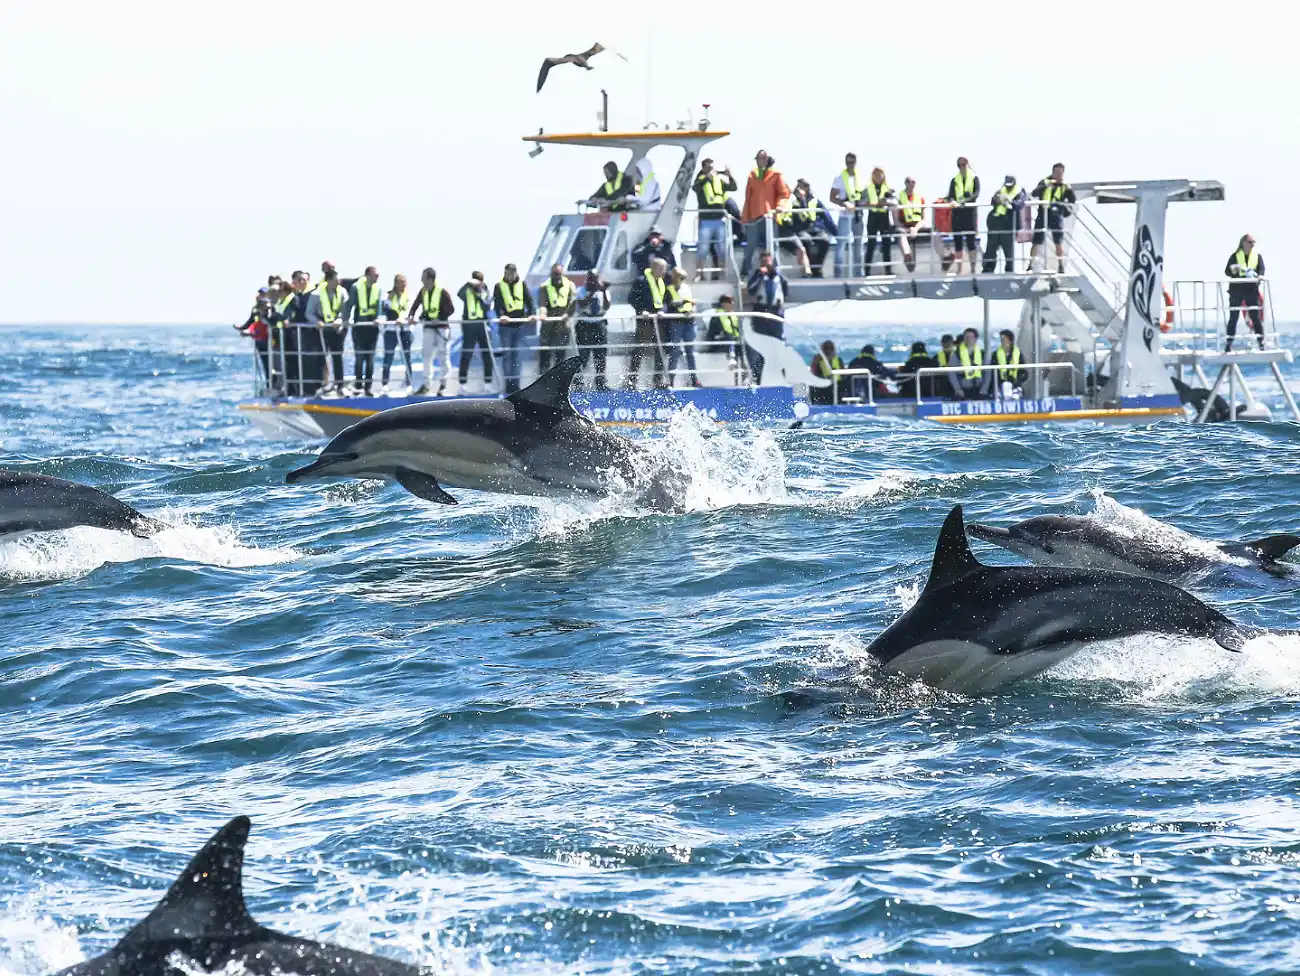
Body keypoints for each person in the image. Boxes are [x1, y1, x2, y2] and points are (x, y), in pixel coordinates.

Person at [741, 150, 790, 276]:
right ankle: (744, 273)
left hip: (769, 217)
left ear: (767, 159)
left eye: (763, 158)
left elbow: (784, 193)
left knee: (773, 245)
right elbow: (748, 197)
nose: (760, 160)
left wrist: (779, 206)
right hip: (754, 217)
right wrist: (744, 218)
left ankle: (776, 271)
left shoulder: (776, 174)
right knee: (750, 246)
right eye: (758, 158)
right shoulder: (752, 175)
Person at [408, 267, 455, 395]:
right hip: (428, 328)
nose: (421, 280)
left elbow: (451, 309)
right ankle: (426, 385)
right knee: (426, 356)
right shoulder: (423, 291)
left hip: (441, 329)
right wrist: (411, 316)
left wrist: (440, 318)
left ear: (430, 279)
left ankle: (443, 385)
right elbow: (415, 305)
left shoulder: (442, 292)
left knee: (443, 356)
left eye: (423, 277)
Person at [627, 257, 670, 389]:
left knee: (661, 350)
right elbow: (632, 298)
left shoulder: (663, 281)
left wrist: (663, 310)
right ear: (654, 268)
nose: (664, 271)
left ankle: (657, 380)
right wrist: (641, 311)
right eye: (662, 269)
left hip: (658, 321)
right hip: (644, 322)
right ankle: (632, 381)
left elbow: (666, 300)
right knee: (639, 349)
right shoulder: (641, 281)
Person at [746, 251, 788, 384]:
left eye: (768, 261)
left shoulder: (779, 277)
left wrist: (775, 273)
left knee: (778, 345)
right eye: (764, 262)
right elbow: (750, 289)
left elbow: (786, 291)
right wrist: (759, 275)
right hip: (761, 315)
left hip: (775, 314)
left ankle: (781, 374)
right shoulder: (757, 275)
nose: (767, 264)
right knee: (761, 347)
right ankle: (758, 376)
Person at [493, 263, 536, 394]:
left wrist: (531, 315)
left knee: (517, 356)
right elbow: (497, 304)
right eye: (506, 274)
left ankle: (515, 385)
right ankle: (508, 385)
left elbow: (529, 302)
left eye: (510, 274)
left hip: (519, 325)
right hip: (506, 326)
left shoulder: (522, 284)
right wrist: (502, 316)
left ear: (515, 273)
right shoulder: (499, 286)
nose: (508, 277)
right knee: (507, 355)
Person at [692, 158, 737, 279]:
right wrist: (707, 177)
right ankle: (699, 274)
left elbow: (733, 187)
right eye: (709, 168)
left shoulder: (720, 181)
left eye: (713, 167)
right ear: (704, 168)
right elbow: (695, 188)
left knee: (722, 249)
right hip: (706, 221)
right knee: (703, 248)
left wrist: (729, 175)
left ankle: (721, 273)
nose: (712, 170)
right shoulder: (700, 180)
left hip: (719, 220)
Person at [1030, 163, 1076, 272]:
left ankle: (1060, 265)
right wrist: (1046, 186)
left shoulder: (1065, 186)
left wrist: (1064, 211)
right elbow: (1034, 193)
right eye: (1056, 172)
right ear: (1053, 172)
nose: (1058, 175)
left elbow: (1072, 200)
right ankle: (1030, 264)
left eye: (1060, 173)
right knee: (1037, 240)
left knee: (1058, 241)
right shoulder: (1045, 182)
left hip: (1056, 215)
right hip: (1043, 213)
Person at [280, 271, 320, 397]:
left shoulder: (312, 294)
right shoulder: (298, 296)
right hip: (301, 334)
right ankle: (305, 389)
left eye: (300, 280)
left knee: (313, 362)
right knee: (304, 362)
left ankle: (313, 389)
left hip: (312, 332)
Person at [344, 266, 382, 395]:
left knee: (370, 359)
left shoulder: (378, 289)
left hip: (372, 329)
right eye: (374, 275)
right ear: (367, 275)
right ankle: (358, 386)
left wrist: (378, 318)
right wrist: (345, 320)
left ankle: (368, 387)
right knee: (359, 358)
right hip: (359, 328)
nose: (377, 277)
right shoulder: (356, 287)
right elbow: (349, 305)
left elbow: (379, 307)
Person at [1225, 233, 1266, 351]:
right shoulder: (1235, 256)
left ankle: (1261, 343)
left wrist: (1260, 276)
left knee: (1256, 317)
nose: (1252, 244)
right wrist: (1235, 269)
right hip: (1236, 290)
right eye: (1250, 242)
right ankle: (1228, 345)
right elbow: (1227, 271)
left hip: (1251, 290)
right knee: (1233, 317)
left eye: (1254, 242)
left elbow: (1262, 269)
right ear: (1243, 243)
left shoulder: (1257, 256)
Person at [788, 179, 837, 277]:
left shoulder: (814, 200)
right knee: (807, 241)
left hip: (815, 229)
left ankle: (817, 269)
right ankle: (811, 270)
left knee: (825, 241)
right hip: (801, 230)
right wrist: (801, 199)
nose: (804, 188)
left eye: (806, 186)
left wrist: (836, 233)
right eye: (802, 186)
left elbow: (826, 216)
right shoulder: (793, 201)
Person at [311, 269, 349, 395]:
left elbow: (346, 309)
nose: (338, 281)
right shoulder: (317, 294)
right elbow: (309, 313)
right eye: (335, 279)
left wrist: (339, 319)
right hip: (323, 330)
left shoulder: (342, 292)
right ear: (328, 281)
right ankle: (320, 386)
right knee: (321, 358)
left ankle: (339, 385)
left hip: (337, 330)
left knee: (337, 357)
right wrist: (317, 321)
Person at [456, 271, 494, 389]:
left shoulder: (486, 291)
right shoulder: (467, 290)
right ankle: (462, 384)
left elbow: (487, 306)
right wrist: (468, 284)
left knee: (487, 354)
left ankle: (488, 383)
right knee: (466, 354)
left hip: (482, 325)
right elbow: (459, 294)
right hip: (469, 325)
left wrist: (479, 295)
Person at [665, 267, 701, 387]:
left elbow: (691, 303)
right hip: (676, 323)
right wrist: (681, 303)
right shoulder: (669, 290)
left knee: (690, 351)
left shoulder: (686, 288)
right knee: (675, 351)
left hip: (689, 322)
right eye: (678, 277)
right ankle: (670, 379)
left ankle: (694, 378)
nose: (680, 279)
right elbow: (668, 306)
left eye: (681, 277)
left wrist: (692, 308)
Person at [537, 263, 576, 374]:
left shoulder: (570, 285)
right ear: (551, 274)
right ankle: (543, 377)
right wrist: (543, 314)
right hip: (548, 322)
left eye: (558, 274)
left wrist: (568, 314)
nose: (556, 276)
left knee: (560, 352)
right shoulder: (544, 286)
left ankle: (559, 380)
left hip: (563, 322)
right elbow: (542, 304)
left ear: (562, 273)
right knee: (545, 351)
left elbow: (573, 302)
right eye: (554, 274)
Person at [830, 152, 864, 277]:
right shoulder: (840, 178)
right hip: (845, 216)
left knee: (858, 245)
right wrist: (844, 204)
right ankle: (837, 273)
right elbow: (832, 197)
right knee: (841, 244)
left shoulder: (860, 177)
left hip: (858, 216)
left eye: (852, 162)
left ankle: (858, 273)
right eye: (848, 162)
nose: (850, 164)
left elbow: (863, 195)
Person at [982, 177, 1024, 274]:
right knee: (990, 250)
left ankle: (1009, 272)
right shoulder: (1000, 191)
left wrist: (1008, 202)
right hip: (995, 224)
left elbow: (1019, 205)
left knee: (1008, 252)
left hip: (1008, 226)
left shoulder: (1019, 192)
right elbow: (993, 202)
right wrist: (997, 199)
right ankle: (988, 271)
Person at [575, 271, 609, 390]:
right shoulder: (580, 290)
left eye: (595, 279)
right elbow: (582, 304)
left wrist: (603, 291)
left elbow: (606, 307)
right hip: (585, 325)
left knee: (600, 356)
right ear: (587, 279)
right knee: (583, 356)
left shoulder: (603, 291)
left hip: (599, 325)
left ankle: (600, 383)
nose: (593, 281)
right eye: (591, 279)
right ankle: (578, 383)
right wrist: (592, 292)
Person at [947, 157, 981, 274]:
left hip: (969, 213)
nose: (962, 167)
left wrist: (965, 201)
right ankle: (959, 270)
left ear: (968, 164)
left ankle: (972, 269)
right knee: (958, 242)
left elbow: (976, 193)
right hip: (957, 214)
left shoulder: (974, 178)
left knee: (971, 242)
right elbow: (950, 195)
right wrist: (952, 201)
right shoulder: (954, 180)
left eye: (964, 164)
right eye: (960, 165)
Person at [380, 274, 413, 391]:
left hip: (405, 330)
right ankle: (385, 384)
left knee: (407, 356)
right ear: (395, 283)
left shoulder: (408, 297)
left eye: (404, 282)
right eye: (401, 282)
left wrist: (405, 319)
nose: (403, 285)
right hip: (391, 331)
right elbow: (385, 312)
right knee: (388, 356)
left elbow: (410, 312)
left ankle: (409, 383)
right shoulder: (388, 297)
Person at [237, 287, 274, 389]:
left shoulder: (270, 308)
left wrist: (250, 332)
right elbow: (252, 322)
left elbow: (264, 325)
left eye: (263, 294)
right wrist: (243, 328)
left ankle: (273, 385)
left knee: (272, 365)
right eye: (260, 293)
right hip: (259, 340)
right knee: (265, 365)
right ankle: (269, 385)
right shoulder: (256, 308)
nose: (260, 295)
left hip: (268, 340)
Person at [863, 167, 895, 276]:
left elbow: (895, 202)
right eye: (875, 174)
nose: (877, 176)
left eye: (880, 174)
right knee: (870, 245)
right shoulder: (868, 188)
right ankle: (866, 271)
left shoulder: (888, 188)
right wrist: (874, 204)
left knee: (886, 244)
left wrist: (886, 202)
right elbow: (861, 202)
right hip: (872, 217)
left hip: (884, 217)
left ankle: (888, 270)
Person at [705, 293, 743, 382]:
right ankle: (731, 358)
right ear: (723, 303)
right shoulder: (717, 316)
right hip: (719, 343)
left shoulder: (734, 316)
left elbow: (738, 331)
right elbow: (711, 334)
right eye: (730, 302)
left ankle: (745, 377)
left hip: (733, 342)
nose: (732, 303)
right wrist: (720, 334)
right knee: (729, 338)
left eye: (732, 301)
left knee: (744, 347)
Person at [896, 178, 927, 273]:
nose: (911, 184)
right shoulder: (899, 198)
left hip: (917, 226)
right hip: (904, 226)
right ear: (905, 183)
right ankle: (907, 256)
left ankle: (946, 259)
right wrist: (906, 229)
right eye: (908, 181)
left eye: (913, 182)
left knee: (935, 233)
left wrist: (916, 229)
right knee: (901, 235)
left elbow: (923, 219)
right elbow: (896, 219)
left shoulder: (920, 198)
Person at [991, 328, 1027, 398]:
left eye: (1003, 339)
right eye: (1001, 340)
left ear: (1010, 341)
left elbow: (1023, 371)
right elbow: (993, 372)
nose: (1002, 341)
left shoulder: (1018, 353)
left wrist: (1017, 381)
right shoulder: (995, 354)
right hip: (1000, 385)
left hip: (1015, 385)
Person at [952, 327, 985, 400]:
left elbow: (988, 372)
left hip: (979, 388)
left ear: (976, 339)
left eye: (971, 337)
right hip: (963, 389)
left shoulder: (982, 353)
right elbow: (951, 373)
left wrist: (984, 388)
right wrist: (957, 389)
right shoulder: (957, 354)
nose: (968, 339)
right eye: (966, 337)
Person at [810, 340, 846, 404]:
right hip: (822, 389)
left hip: (837, 388)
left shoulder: (838, 360)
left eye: (830, 348)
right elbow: (813, 375)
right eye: (826, 348)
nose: (828, 350)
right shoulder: (817, 360)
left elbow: (844, 376)